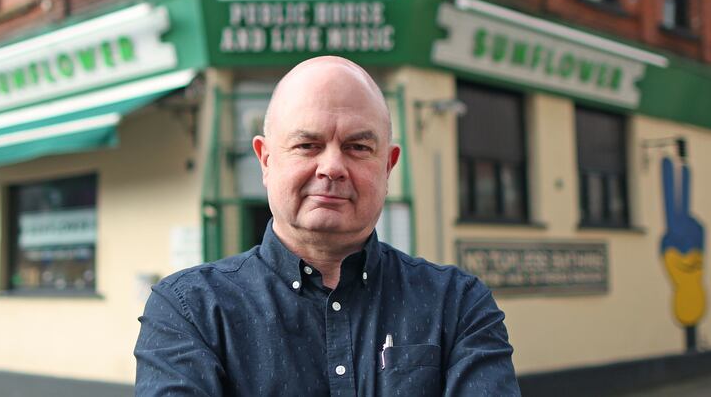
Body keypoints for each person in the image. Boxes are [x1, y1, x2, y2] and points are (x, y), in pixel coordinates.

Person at [134, 56, 520, 396]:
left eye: (358, 147)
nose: (332, 167)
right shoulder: (189, 311)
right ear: (266, 161)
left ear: (387, 167)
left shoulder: (457, 305)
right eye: (307, 145)